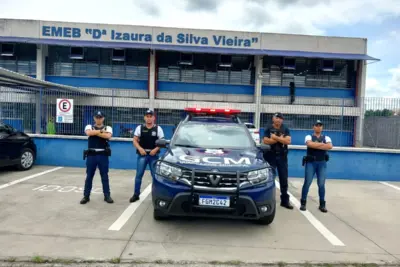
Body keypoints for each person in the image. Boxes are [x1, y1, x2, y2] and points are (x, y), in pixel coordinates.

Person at [130, 109, 164, 202]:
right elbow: (135, 140)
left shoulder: (158, 129)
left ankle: (156, 195)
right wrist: (140, 149)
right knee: (139, 175)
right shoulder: (139, 128)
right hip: (142, 155)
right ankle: (136, 194)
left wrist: (155, 150)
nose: (149, 118)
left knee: (155, 176)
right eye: (147, 116)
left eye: (151, 116)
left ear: (154, 118)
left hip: (153, 155)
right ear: (144, 117)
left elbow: (162, 143)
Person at [80, 111, 114, 204]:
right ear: (94, 118)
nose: (98, 119)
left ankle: (107, 196)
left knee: (104, 176)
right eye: (97, 117)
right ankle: (86, 196)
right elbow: (89, 133)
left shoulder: (108, 127)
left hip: (103, 155)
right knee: (89, 176)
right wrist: (100, 131)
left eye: (100, 117)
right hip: (91, 155)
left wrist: (95, 132)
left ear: (103, 118)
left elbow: (108, 136)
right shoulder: (89, 126)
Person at [300, 120, 332, 212]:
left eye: (320, 125)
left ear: (322, 127)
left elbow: (329, 146)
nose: (318, 127)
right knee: (307, 183)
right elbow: (309, 144)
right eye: (316, 125)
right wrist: (322, 145)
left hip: (322, 163)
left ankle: (322, 204)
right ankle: (303, 202)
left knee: (321, 184)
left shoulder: (327, 137)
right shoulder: (309, 136)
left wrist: (315, 145)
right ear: (313, 127)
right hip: (311, 163)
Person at [263, 112, 293, 209]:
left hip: (282, 156)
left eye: (280, 118)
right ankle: (267, 200)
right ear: (273, 118)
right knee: (270, 178)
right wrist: (281, 139)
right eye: (277, 118)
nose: (279, 120)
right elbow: (265, 141)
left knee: (283, 178)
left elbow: (288, 141)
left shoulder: (285, 128)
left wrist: (275, 138)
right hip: (270, 156)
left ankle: (285, 201)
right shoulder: (268, 128)